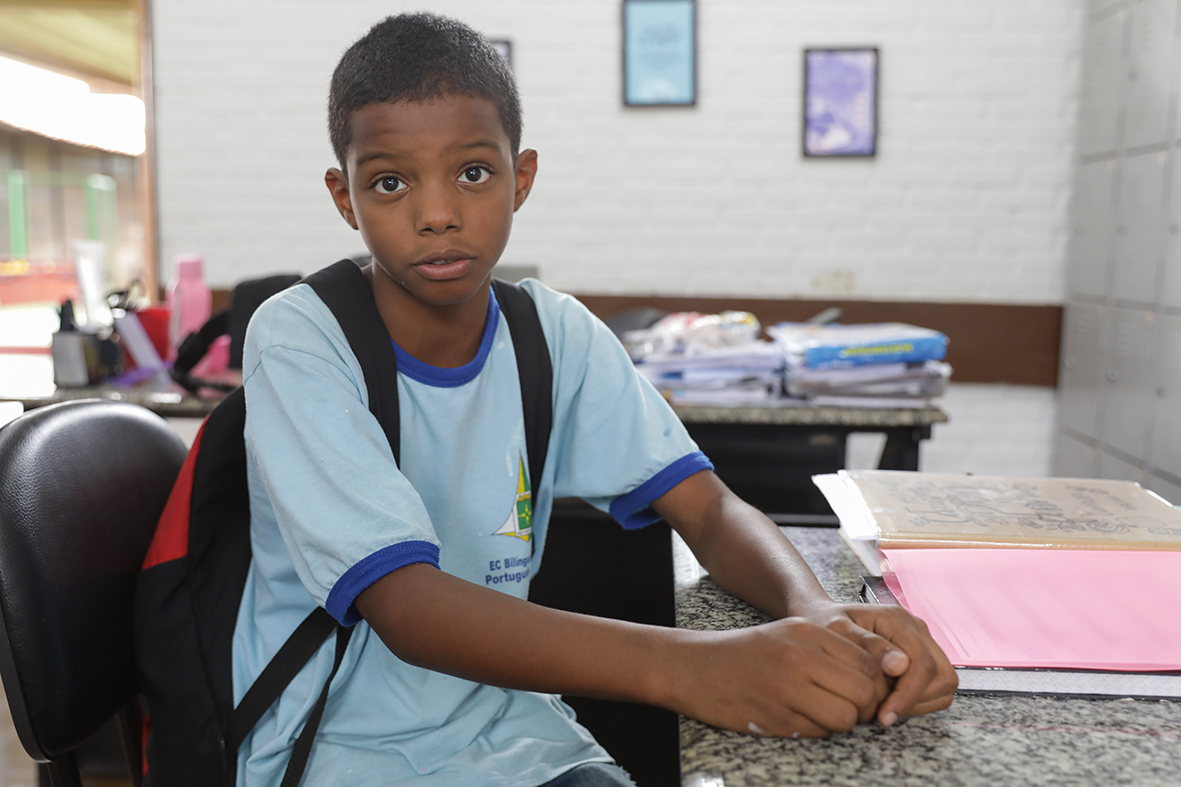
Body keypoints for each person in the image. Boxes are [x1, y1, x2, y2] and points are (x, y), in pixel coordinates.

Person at [234, 12, 957, 787]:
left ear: (521, 177)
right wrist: (695, 667)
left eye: (472, 173)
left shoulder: (554, 334)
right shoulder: (299, 340)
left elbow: (708, 509)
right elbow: (404, 605)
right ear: (344, 197)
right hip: (336, 749)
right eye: (390, 182)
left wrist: (811, 610)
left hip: (518, 733)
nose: (436, 212)